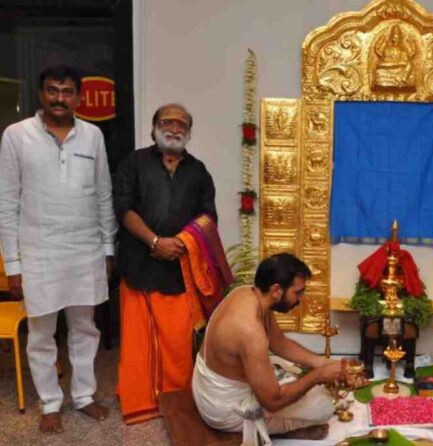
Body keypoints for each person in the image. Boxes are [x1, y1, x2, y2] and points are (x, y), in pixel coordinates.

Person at [0, 65, 116, 433]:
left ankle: (83, 395)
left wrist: (107, 248)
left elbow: (103, 194)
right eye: (53, 90)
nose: (59, 98)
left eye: (67, 92)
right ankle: (50, 403)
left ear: (78, 97)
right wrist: (13, 264)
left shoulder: (93, 135)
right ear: (41, 94)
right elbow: (7, 202)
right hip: (39, 253)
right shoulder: (16, 135)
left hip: (85, 250)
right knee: (41, 335)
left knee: (85, 329)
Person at [192, 253, 368, 443]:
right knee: (324, 405)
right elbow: (273, 402)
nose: (300, 299)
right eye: (297, 292)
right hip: (224, 409)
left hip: (209, 387)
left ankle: (279, 423)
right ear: (277, 290)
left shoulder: (249, 294)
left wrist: (323, 363)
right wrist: (318, 375)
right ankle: (278, 430)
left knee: (288, 368)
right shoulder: (250, 331)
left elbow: (279, 343)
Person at [113, 103, 217, 424]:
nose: (175, 128)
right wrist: (155, 241)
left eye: (182, 124)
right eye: (167, 121)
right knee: (139, 341)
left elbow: (208, 217)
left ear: (188, 132)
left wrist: (180, 243)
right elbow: (123, 208)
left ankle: (175, 400)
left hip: (178, 268)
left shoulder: (198, 171)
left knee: (176, 341)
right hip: (139, 265)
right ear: (154, 128)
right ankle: (140, 402)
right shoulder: (134, 163)